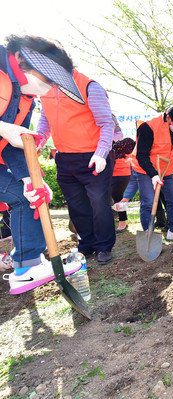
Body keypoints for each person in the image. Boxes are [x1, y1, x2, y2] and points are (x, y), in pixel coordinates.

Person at [0, 35, 82, 293]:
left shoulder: (24, 99)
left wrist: (29, 180)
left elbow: (17, 143)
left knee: (27, 197)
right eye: (48, 80)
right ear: (24, 61)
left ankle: (27, 267)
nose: (49, 89)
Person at [37, 47, 118, 265]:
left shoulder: (89, 86)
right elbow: (45, 121)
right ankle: (87, 245)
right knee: (77, 206)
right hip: (65, 158)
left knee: (99, 204)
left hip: (93, 158)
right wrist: (38, 139)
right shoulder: (44, 89)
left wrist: (101, 154)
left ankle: (104, 246)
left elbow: (105, 124)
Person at [131, 104, 173, 240]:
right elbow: (141, 155)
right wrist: (153, 174)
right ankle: (148, 233)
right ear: (169, 118)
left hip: (166, 169)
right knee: (148, 202)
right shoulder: (148, 127)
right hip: (144, 169)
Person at [110, 120, 134, 233]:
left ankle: (122, 222)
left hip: (122, 172)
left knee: (118, 196)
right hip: (110, 173)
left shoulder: (119, 139)